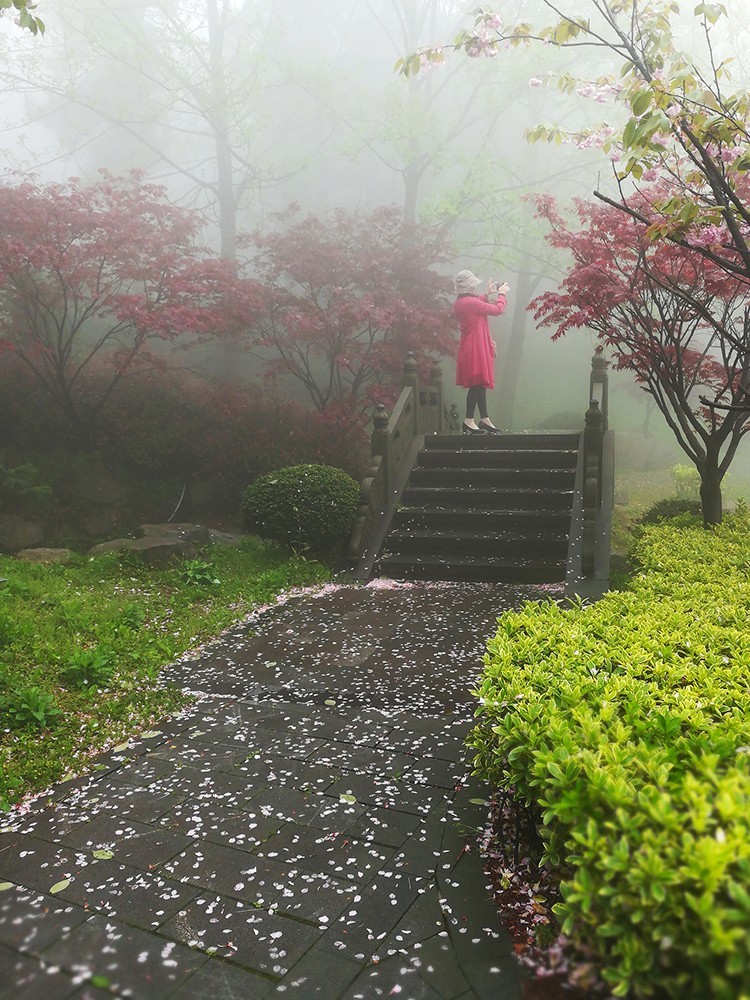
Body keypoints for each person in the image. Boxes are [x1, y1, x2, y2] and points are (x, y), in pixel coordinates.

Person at [453, 269, 510, 434]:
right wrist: (502, 294)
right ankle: (468, 419)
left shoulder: (461, 302)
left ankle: (484, 418)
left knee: (481, 382)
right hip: (475, 347)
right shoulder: (471, 303)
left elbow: (476, 303)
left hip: (472, 345)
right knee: (477, 384)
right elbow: (497, 310)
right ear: (469, 287)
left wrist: (486, 294)